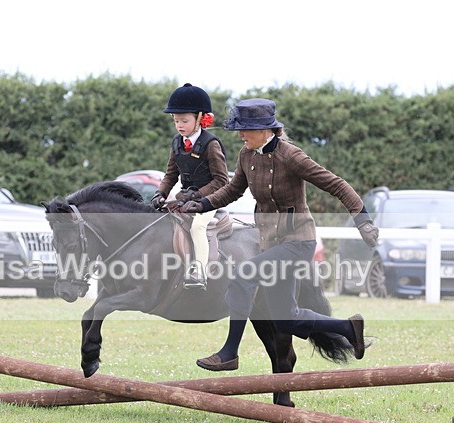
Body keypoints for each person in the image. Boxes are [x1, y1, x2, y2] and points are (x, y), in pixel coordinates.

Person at [180, 98, 379, 370]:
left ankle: (229, 353)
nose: (240, 135)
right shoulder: (246, 155)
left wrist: (364, 221)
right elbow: (233, 190)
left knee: (243, 275)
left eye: (245, 129)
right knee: (285, 319)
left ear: (265, 130)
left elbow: (337, 185)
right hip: (269, 243)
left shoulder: (292, 156)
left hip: (298, 242)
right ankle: (347, 327)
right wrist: (202, 204)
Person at [150, 83, 229, 289]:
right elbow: (170, 174)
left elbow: (222, 181)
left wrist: (197, 197)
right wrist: (160, 193)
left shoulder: (211, 144)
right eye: (176, 121)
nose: (179, 125)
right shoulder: (177, 142)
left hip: (208, 201)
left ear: (200, 118)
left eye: (184, 120)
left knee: (197, 227)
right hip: (185, 198)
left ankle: (199, 273)